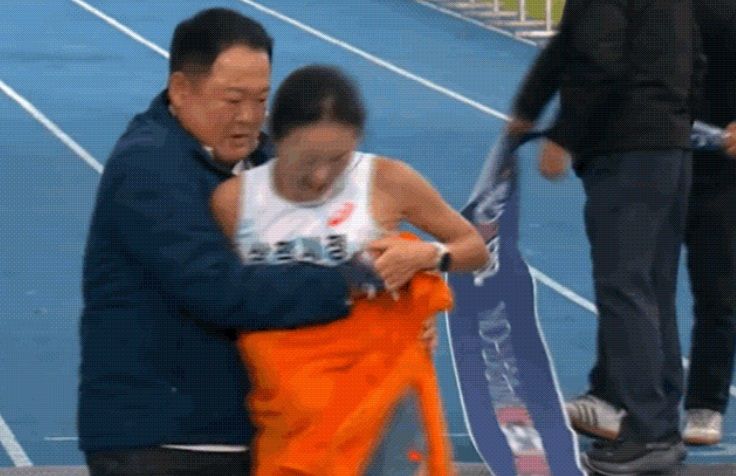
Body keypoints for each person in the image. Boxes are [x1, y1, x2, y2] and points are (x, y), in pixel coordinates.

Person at [78, 9, 382, 476]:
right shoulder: (148, 168)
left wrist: (395, 291)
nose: (248, 118)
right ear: (181, 90)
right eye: (232, 100)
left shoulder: (267, 161)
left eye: (261, 100)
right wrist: (351, 284)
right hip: (164, 442)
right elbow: (219, 290)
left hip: (248, 433)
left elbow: (337, 231)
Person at [210, 64, 489, 475]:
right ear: (276, 136)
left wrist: (426, 256)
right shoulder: (235, 201)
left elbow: (474, 249)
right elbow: (228, 298)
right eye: (306, 160)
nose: (321, 176)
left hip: (382, 400)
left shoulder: (386, 180)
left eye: (338, 159)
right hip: (289, 409)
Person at [507, 0, 699, 473]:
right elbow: (694, 58)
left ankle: (649, 431)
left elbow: (596, 56)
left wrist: (563, 136)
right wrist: (530, 104)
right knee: (652, 289)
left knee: (625, 288)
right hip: (669, 148)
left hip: (627, 149)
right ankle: (660, 423)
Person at [681, 0, 736, 446]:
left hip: (722, 166)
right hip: (651, 156)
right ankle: (624, 396)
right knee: (636, 287)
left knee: (718, 291)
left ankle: (705, 403)